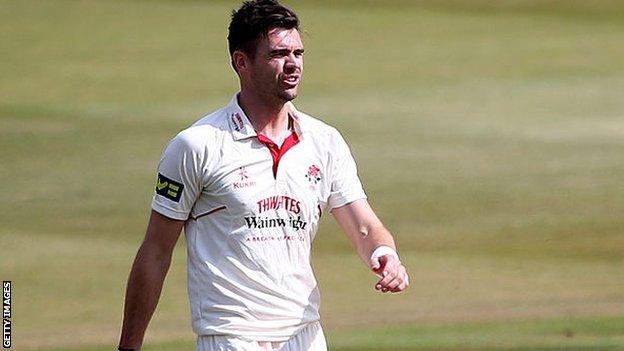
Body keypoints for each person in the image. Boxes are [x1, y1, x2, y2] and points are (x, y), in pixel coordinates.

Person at [117, 1, 409, 350]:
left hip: (305, 335)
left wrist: (385, 253)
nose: (293, 64)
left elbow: (364, 226)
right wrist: (129, 346)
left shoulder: (324, 141)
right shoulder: (197, 146)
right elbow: (155, 251)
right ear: (242, 62)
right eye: (278, 54)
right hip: (231, 337)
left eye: (298, 53)